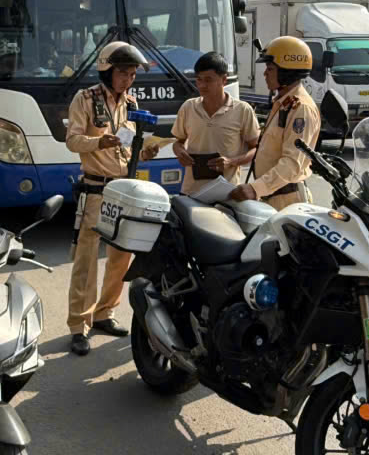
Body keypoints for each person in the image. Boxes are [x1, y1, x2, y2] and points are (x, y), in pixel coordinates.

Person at [64, 41, 155, 355]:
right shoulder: (85, 99)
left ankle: (105, 313)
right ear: (106, 70)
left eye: (132, 74)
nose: (128, 79)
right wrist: (101, 142)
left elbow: (128, 149)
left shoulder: (131, 103)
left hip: (124, 190)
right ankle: (80, 324)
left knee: (121, 258)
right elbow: (73, 140)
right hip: (95, 189)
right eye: (122, 73)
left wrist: (147, 150)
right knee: (86, 261)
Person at [229, 36, 320, 209]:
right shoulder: (283, 103)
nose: (264, 74)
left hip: (287, 200)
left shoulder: (301, 109)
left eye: (269, 69)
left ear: (287, 72)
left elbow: (292, 163)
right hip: (272, 196)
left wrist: (255, 189)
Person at [170, 51, 259, 195]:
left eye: (208, 80)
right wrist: (180, 152)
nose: (202, 85)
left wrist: (231, 162)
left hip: (227, 194)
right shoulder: (188, 107)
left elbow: (256, 149)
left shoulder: (243, 110)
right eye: (198, 79)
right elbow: (178, 142)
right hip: (191, 192)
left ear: (224, 80)